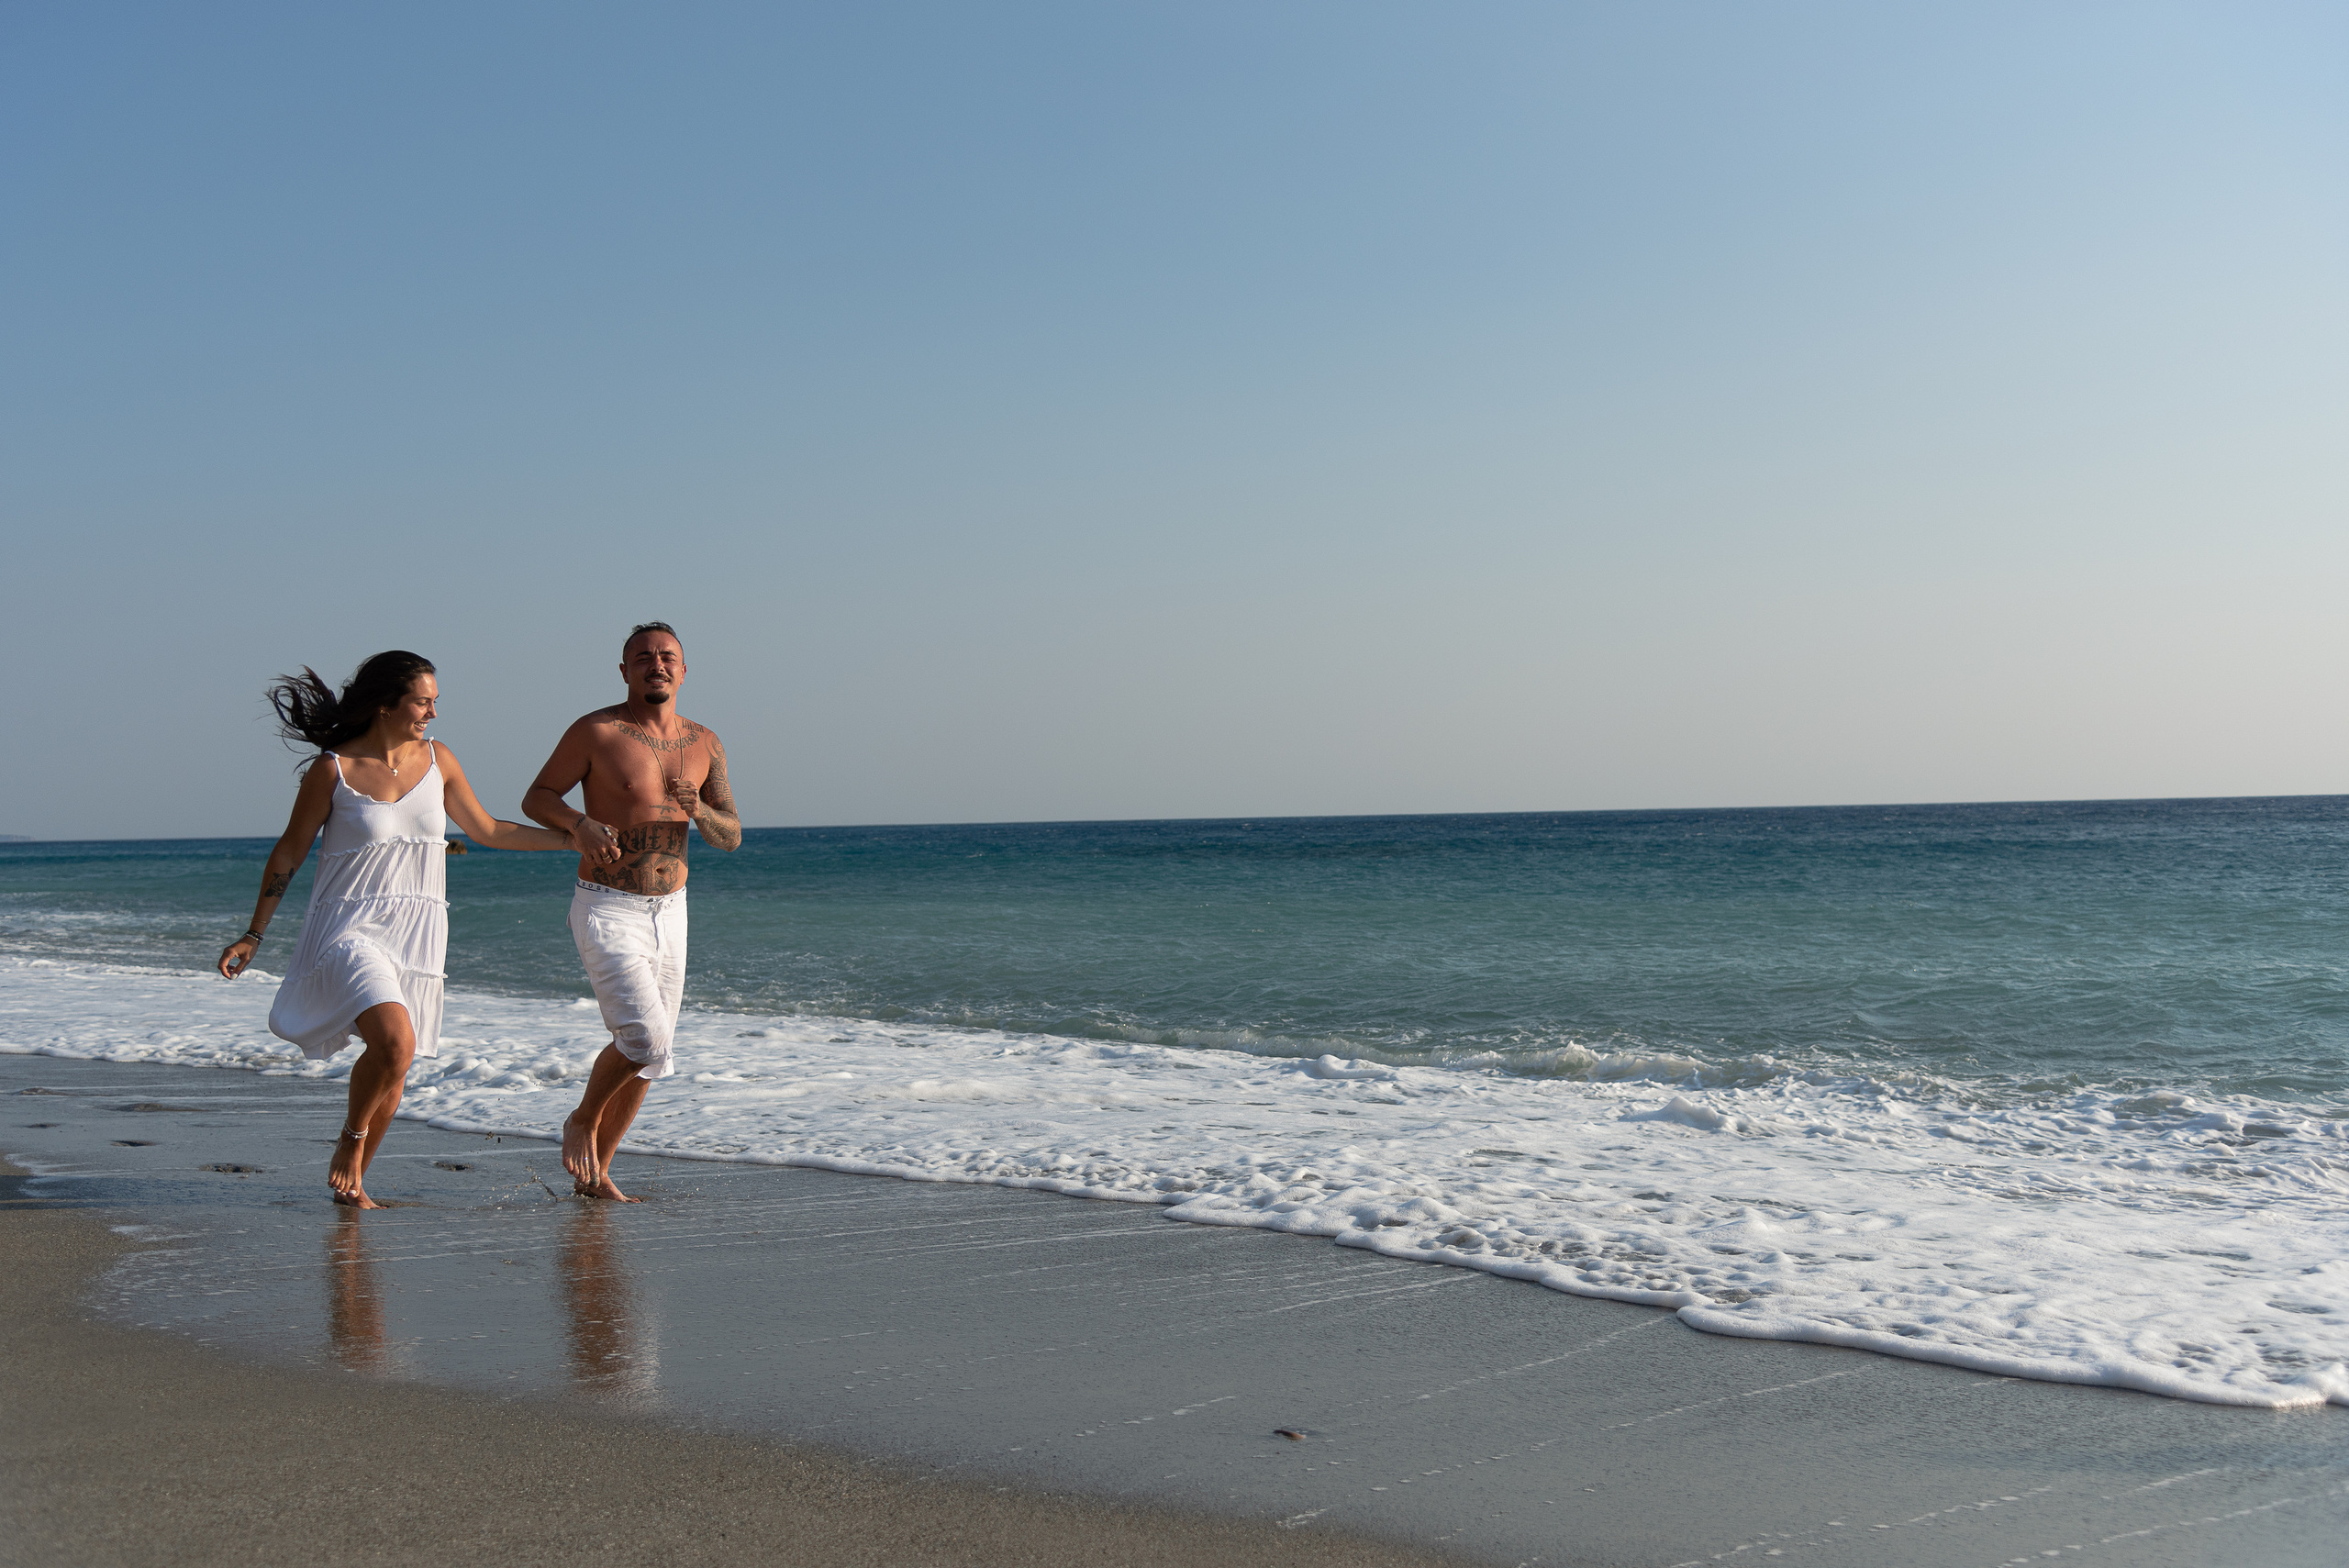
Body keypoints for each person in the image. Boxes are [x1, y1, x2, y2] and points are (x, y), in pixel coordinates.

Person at [217, 651, 597, 1207]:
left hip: (414, 931)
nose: (433, 713)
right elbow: (289, 852)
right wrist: (254, 934)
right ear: (385, 704)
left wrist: (571, 840)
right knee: (395, 1044)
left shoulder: (439, 761)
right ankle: (350, 1141)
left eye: (435, 702)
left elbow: (488, 829)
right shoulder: (334, 770)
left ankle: (354, 1185)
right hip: (348, 928)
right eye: (423, 702)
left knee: (397, 1064)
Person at [524, 622, 741, 1201]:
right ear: (624, 671)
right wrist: (578, 823)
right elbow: (537, 797)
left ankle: (596, 1176)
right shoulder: (595, 730)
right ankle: (582, 1119)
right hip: (609, 906)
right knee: (645, 1039)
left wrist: (701, 813)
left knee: (653, 1056)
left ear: (685, 669)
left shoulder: (706, 743)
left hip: (672, 911)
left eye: (668, 657)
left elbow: (731, 835)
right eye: (643, 658)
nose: (657, 665)